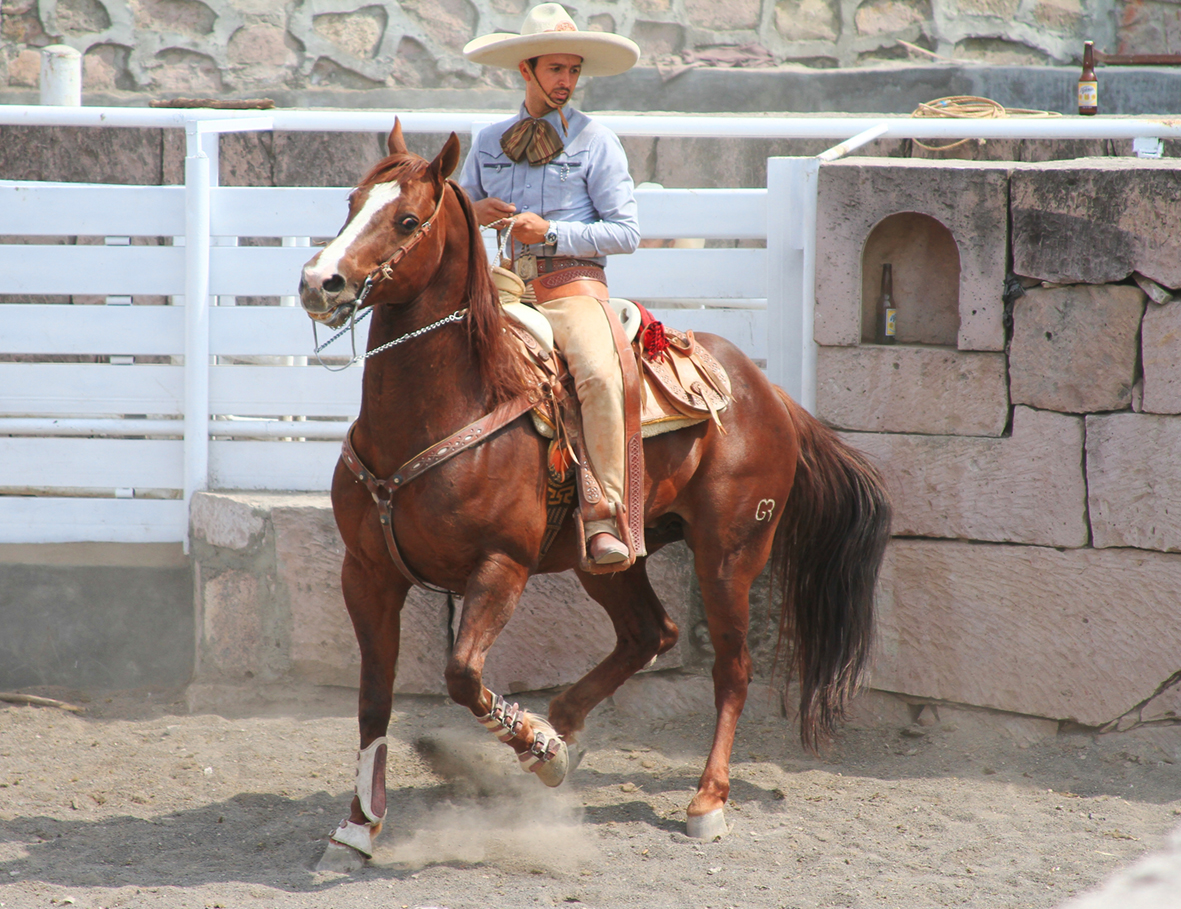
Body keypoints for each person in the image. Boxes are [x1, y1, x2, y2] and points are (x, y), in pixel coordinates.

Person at [459, 3, 641, 568]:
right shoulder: (488, 140)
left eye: (573, 70)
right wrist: (473, 211)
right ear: (526, 71)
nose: (567, 81)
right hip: (505, 289)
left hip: (573, 290)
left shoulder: (597, 141)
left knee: (600, 377)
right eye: (556, 69)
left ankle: (605, 518)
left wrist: (552, 232)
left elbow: (627, 233)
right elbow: (455, 205)